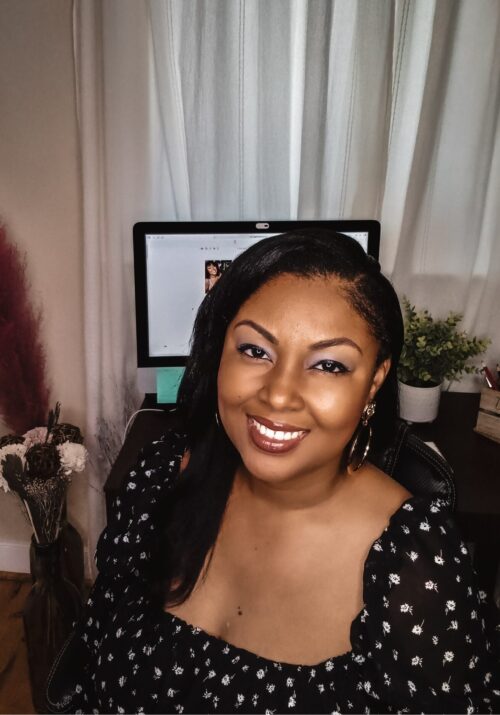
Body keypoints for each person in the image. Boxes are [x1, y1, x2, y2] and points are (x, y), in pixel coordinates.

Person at [47, 230, 500, 714]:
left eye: (328, 365)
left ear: (375, 382)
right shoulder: (162, 475)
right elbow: (95, 657)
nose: (279, 395)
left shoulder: (414, 565)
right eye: (255, 351)